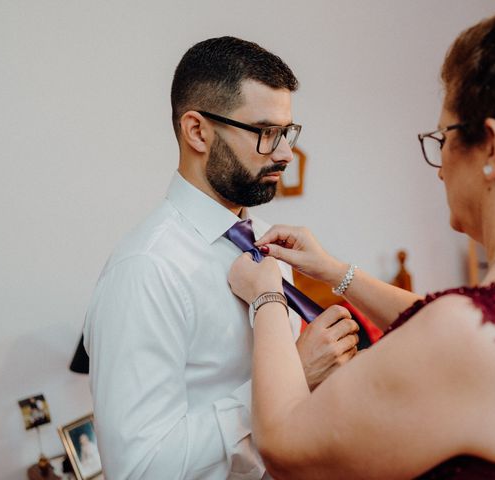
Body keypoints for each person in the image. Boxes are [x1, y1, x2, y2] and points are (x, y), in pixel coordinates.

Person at [228, 4, 495, 478]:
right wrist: (334, 272)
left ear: (491, 148)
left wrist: (267, 296)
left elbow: (285, 444)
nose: (441, 164)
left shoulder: (464, 335)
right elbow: (445, 318)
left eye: (443, 135)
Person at [82, 36, 359, 479]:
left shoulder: (268, 245)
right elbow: (139, 469)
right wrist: (291, 379)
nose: (286, 153)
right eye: (266, 133)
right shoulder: (145, 271)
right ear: (197, 131)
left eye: (286, 132)